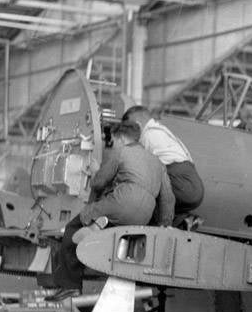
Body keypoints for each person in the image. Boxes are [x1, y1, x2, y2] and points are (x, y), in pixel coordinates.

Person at [50, 122, 174, 300]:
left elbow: (99, 182)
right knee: (116, 228)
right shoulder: (158, 163)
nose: (113, 144)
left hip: (121, 202)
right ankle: (100, 227)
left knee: (73, 228)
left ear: (122, 138)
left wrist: (94, 171)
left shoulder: (122, 152)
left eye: (114, 140)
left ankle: (71, 285)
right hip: (144, 215)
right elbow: (168, 198)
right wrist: (164, 224)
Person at [122, 106, 205, 217]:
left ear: (137, 124)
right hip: (195, 188)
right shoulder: (162, 132)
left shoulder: (148, 136)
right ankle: (182, 220)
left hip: (180, 182)